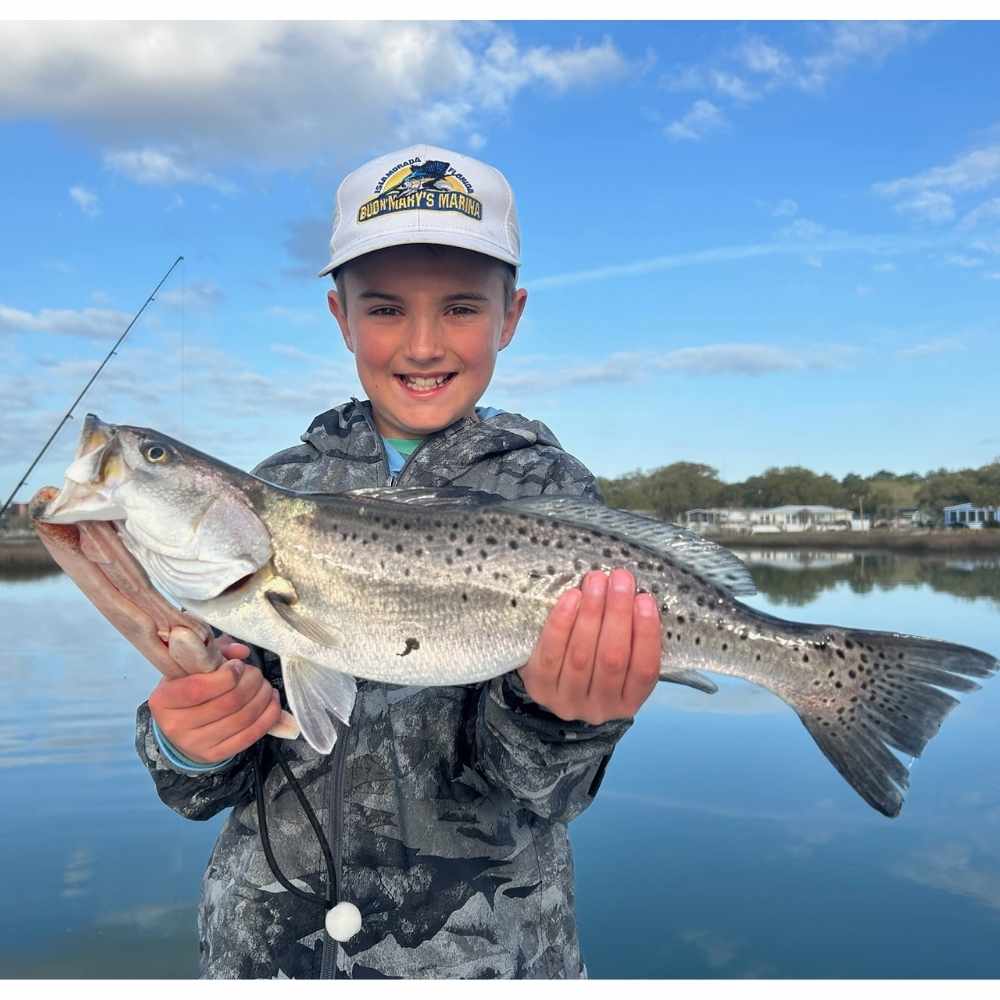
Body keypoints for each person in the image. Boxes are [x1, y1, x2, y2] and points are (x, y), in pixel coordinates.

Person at [135, 144, 663, 979]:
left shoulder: (552, 492)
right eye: (384, 309)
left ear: (511, 316)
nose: (421, 344)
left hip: (485, 959)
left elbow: (551, 793)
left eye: (459, 308)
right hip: (267, 956)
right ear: (341, 317)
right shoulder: (271, 494)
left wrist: (560, 720)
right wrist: (186, 744)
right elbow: (202, 788)